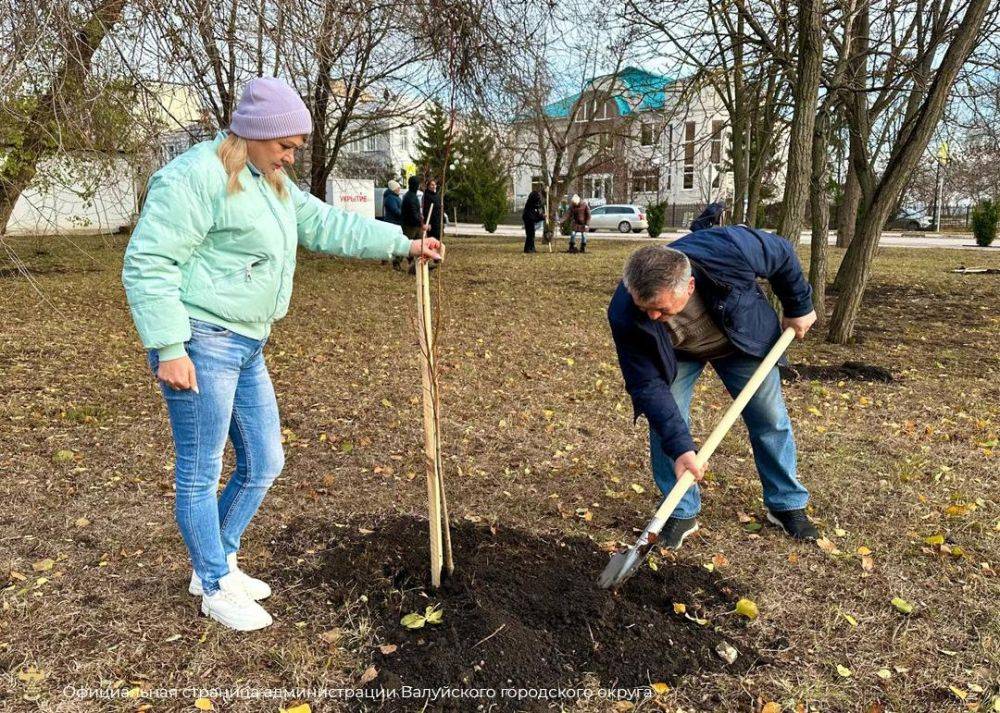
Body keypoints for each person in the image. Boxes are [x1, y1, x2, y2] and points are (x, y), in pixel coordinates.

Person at [122, 77, 442, 632]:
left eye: (296, 147)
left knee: (265, 461)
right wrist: (169, 347)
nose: (292, 157)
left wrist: (403, 242)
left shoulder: (270, 181)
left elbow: (324, 223)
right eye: (286, 145)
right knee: (200, 473)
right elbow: (148, 263)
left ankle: (215, 560)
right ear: (255, 133)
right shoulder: (195, 177)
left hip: (248, 342)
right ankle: (216, 585)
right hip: (202, 341)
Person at [607, 226, 818, 550]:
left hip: (739, 341)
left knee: (769, 418)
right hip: (676, 354)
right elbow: (647, 384)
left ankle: (786, 503)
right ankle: (680, 510)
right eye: (645, 307)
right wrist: (682, 449)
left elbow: (781, 254)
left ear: (689, 286)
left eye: (662, 309)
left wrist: (798, 306)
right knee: (664, 423)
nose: (652, 315)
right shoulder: (624, 312)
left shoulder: (729, 249)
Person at [398, 175, 428, 272]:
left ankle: (420, 263)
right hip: (409, 226)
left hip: (415, 225)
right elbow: (413, 213)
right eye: (417, 184)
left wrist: (420, 217)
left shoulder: (412, 196)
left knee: (420, 245)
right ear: (414, 185)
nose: (418, 186)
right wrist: (421, 223)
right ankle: (396, 262)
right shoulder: (410, 197)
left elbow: (416, 212)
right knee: (405, 245)